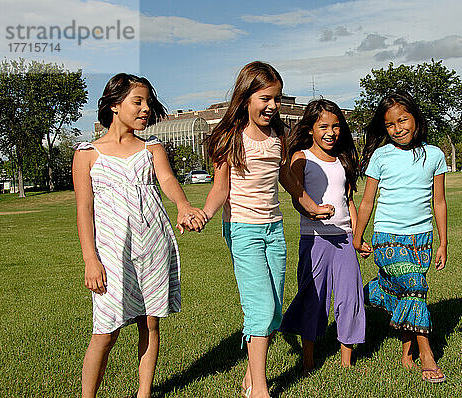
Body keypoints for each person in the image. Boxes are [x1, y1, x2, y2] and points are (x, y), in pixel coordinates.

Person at [199, 61, 334, 398]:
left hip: (273, 230)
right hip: (243, 230)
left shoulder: (278, 136)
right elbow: (220, 189)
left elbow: (287, 178)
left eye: (277, 98)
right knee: (260, 309)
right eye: (266, 98)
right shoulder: (229, 137)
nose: (273, 105)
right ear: (246, 96)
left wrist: (311, 206)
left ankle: (249, 377)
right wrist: (204, 213)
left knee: (272, 308)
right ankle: (259, 389)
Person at [72, 73, 207, 398]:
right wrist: (91, 259)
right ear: (115, 105)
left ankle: (144, 394)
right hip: (111, 255)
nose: (146, 108)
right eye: (138, 101)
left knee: (150, 323)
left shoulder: (152, 148)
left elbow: (169, 182)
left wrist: (185, 206)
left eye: (148, 102)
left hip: (153, 249)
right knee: (105, 332)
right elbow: (84, 211)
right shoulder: (87, 153)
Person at [352, 92, 448, 383]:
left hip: (422, 239)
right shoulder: (381, 156)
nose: (398, 128)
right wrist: (358, 237)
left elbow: (439, 202)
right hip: (388, 237)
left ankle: (380, 293)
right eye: (390, 124)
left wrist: (443, 242)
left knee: (407, 292)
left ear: (415, 117)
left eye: (403, 119)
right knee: (415, 286)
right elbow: (367, 202)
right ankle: (427, 355)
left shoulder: (435, 155)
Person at [279, 99, 365, 372]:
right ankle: (308, 361)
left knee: (350, 298)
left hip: (344, 240)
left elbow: (349, 200)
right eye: (324, 126)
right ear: (310, 129)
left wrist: (358, 236)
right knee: (313, 299)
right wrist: (312, 211)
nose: (331, 132)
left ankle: (346, 362)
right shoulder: (302, 157)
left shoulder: (343, 160)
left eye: (336, 126)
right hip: (314, 239)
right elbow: (296, 195)